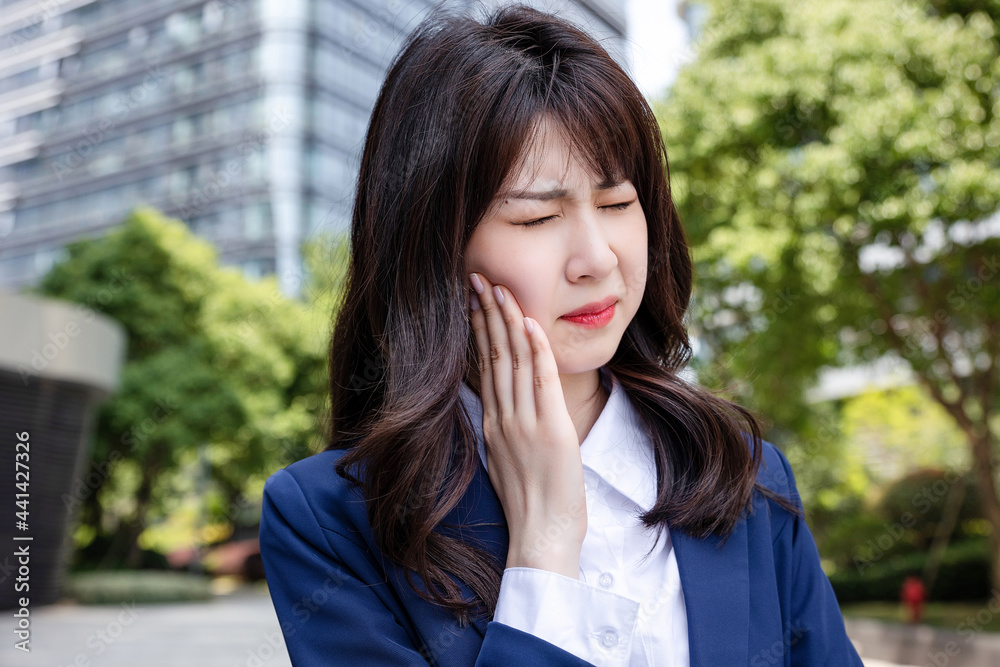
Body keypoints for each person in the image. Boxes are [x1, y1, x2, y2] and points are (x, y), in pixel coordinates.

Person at [258, 3, 864, 665]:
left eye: (616, 204)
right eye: (536, 217)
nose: (598, 259)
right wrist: (544, 551)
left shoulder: (739, 473)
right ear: (435, 250)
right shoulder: (329, 518)